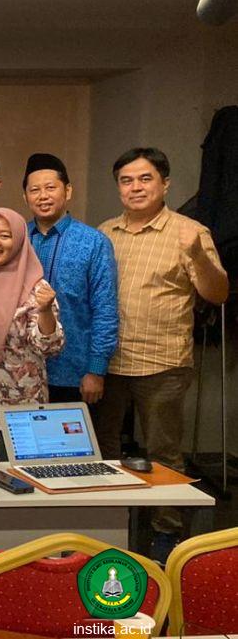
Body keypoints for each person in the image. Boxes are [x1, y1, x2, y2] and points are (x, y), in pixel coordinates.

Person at [96, 147, 227, 561]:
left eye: (145, 178)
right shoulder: (105, 232)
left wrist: (197, 255)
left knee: (163, 453)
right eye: (126, 180)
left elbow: (218, 293)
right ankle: (108, 525)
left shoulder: (190, 232)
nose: (135, 187)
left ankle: (167, 536)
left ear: (165, 184)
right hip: (109, 361)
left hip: (162, 363)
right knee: (104, 449)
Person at [0, 209, 65, 459]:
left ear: (19, 240)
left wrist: (45, 311)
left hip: (20, 414)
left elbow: (50, 346)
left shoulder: (36, 288)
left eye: (5, 236)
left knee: (17, 480)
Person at [23, 153, 119, 404]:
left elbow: (105, 309)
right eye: (35, 190)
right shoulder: (16, 239)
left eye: (50, 188)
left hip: (73, 373)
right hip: (23, 372)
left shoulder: (93, 242)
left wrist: (96, 370)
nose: (43, 196)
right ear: (25, 197)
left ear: (68, 191)